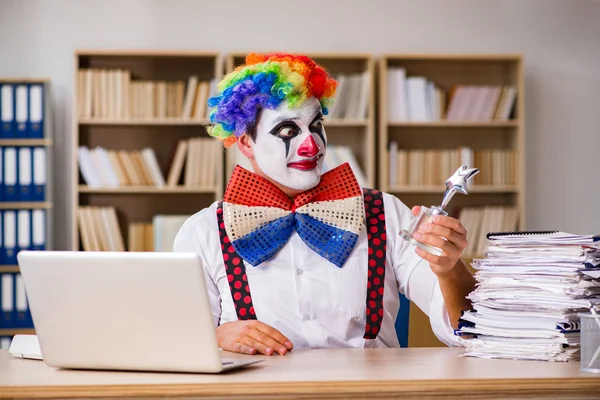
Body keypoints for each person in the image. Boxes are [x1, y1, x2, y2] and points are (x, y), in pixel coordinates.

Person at [173, 53, 476, 356]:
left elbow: (468, 333)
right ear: (245, 143)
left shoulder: (386, 214)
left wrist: (449, 270)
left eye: (316, 125)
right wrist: (215, 336)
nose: (312, 145)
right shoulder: (203, 232)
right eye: (288, 131)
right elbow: (176, 344)